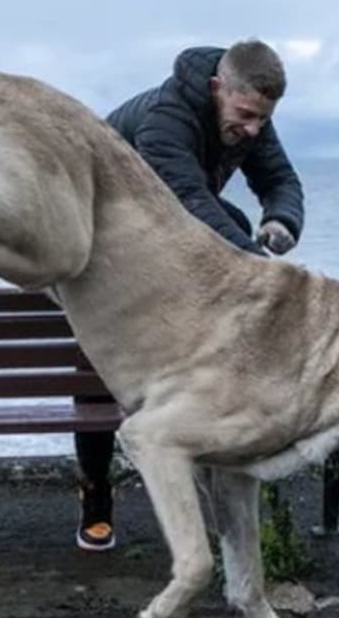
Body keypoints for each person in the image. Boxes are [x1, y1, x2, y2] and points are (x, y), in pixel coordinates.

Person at [72, 39, 305, 551]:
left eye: (262, 120)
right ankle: (95, 494)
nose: (253, 130)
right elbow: (189, 202)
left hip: (162, 236)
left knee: (240, 228)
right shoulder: (164, 120)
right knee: (96, 370)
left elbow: (280, 178)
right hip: (101, 233)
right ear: (217, 89)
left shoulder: (249, 115)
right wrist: (257, 268)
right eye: (245, 115)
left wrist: (281, 219)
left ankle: (213, 469)